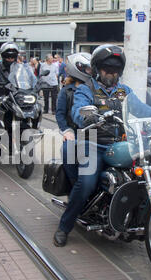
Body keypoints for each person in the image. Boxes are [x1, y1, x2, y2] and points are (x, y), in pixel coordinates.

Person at [53, 44, 151, 247]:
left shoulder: (124, 91)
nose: (111, 74)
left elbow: (141, 109)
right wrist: (88, 116)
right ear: (96, 70)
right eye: (107, 69)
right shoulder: (86, 89)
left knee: (148, 174)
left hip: (121, 144)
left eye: (115, 70)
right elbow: (77, 111)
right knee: (86, 183)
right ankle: (64, 226)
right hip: (92, 143)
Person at [55, 52, 92, 186]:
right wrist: (66, 130)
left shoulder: (95, 89)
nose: (90, 71)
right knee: (67, 151)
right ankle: (74, 186)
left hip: (93, 132)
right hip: (74, 132)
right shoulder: (66, 91)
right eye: (87, 69)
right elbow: (60, 113)